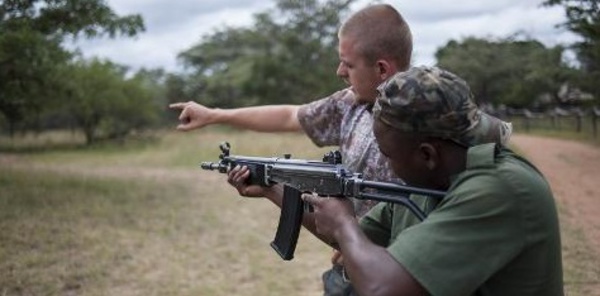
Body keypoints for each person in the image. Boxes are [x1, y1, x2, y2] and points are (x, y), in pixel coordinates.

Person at [170, 4, 416, 295]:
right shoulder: (351, 104)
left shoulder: (424, 125)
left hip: (399, 274)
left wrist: (357, 242)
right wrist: (216, 115)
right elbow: (292, 116)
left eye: (348, 64)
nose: (339, 71)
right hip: (349, 267)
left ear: (382, 69)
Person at [298, 66, 563, 295]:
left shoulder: (501, 189)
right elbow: (363, 237)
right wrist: (275, 187)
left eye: (389, 156)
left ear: (427, 155)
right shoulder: (431, 183)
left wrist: (343, 225)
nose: (388, 164)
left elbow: (383, 288)